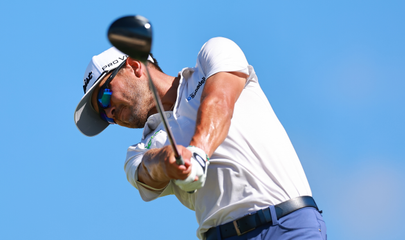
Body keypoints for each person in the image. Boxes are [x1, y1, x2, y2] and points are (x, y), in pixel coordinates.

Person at [74, 37, 327, 240]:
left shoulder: (212, 56)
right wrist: (168, 160)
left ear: (134, 65)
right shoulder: (138, 152)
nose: (109, 112)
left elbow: (219, 101)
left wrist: (198, 152)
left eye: (105, 96)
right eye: (103, 116)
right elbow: (148, 170)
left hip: (287, 225)